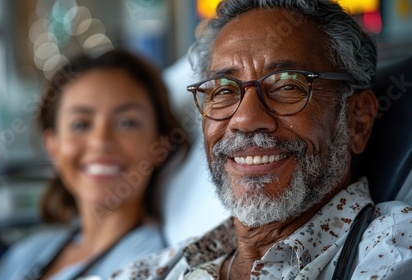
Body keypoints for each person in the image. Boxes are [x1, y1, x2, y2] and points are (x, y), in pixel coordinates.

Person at [110, 0, 412, 279]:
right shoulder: (149, 271)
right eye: (224, 90)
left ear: (358, 120)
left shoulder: (395, 251)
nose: (245, 119)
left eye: (287, 86)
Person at [0, 49, 188, 279]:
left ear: (160, 145)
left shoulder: (152, 265)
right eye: (81, 125)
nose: (101, 141)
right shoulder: (25, 255)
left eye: (127, 123)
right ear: (52, 145)